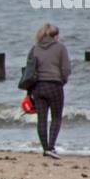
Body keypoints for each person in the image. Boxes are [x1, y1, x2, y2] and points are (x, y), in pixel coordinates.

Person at [28, 22, 71, 159]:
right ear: (55, 36)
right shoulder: (60, 48)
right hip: (54, 85)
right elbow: (66, 69)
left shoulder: (34, 49)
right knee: (56, 117)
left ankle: (45, 148)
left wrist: (30, 90)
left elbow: (29, 70)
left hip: (38, 87)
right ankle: (51, 147)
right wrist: (62, 81)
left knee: (42, 119)